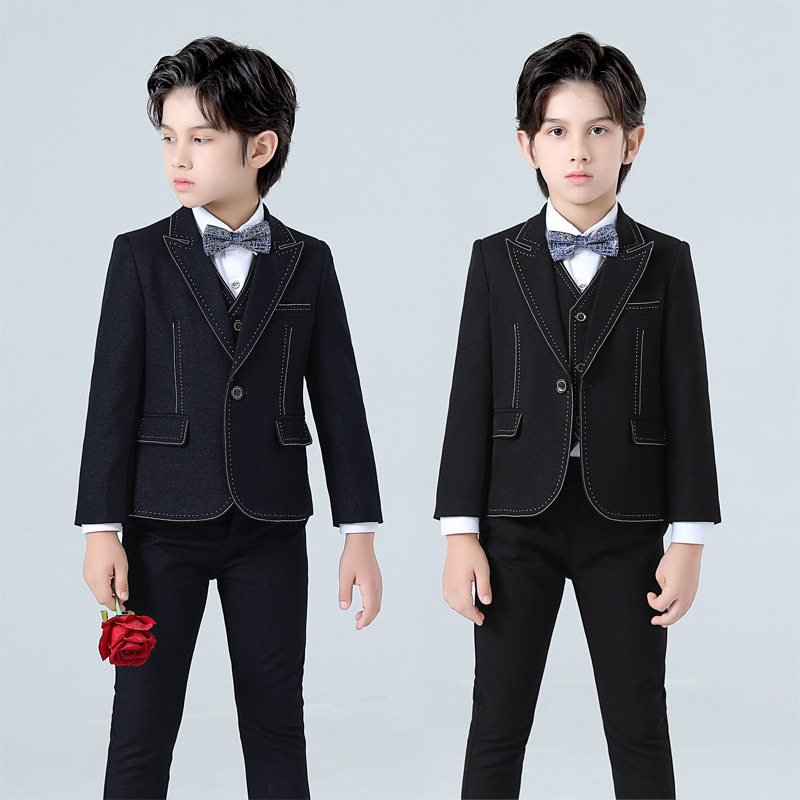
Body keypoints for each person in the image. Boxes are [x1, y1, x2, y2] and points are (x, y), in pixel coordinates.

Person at [75, 36, 383, 800]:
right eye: (168, 138)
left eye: (202, 139)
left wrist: (360, 533)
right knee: (142, 724)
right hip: (159, 527)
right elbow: (110, 401)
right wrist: (101, 529)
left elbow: (340, 402)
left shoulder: (308, 261)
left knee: (277, 722)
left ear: (261, 147)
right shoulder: (139, 256)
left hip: (271, 528)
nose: (178, 158)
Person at [435, 32, 721, 800]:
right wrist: (460, 533)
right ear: (527, 145)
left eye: (599, 129)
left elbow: (688, 401)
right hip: (514, 520)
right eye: (557, 131)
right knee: (497, 721)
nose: (579, 151)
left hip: (626, 522)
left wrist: (689, 539)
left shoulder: (666, 260)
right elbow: (470, 398)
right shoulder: (495, 259)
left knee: (638, 721)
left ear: (633, 142)